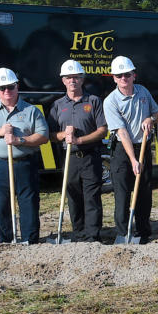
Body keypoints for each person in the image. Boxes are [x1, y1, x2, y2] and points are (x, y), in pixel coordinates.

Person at [0, 68, 49, 244]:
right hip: (0, 165)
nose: (7, 91)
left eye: (11, 87)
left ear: (17, 87)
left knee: (28, 203)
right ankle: (6, 240)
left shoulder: (31, 111)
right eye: (2, 87)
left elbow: (43, 136)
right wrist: (0, 132)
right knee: (2, 204)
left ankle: (30, 240)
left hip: (25, 163)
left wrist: (19, 140)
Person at [48, 60, 108, 243]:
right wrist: (62, 135)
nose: (72, 80)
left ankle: (92, 235)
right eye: (68, 77)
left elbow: (103, 130)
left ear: (82, 79)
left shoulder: (94, 101)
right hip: (69, 158)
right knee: (73, 197)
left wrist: (80, 140)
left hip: (91, 156)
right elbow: (50, 134)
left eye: (76, 77)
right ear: (63, 80)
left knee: (92, 197)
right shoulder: (57, 105)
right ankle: (79, 233)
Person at [103, 55, 158, 243]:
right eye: (119, 76)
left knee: (144, 190)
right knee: (122, 191)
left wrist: (150, 119)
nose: (123, 79)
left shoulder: (143, 91)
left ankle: (144, 232)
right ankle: (123, 233)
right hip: (122, 149)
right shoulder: (110, 101)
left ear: (133, 75)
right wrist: (134, 160)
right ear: (114, 78)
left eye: (127, 74)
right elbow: (122, 132)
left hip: (143, 146)